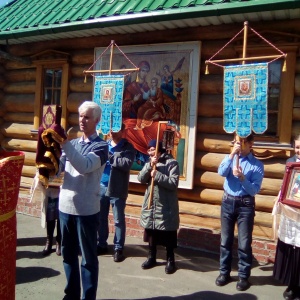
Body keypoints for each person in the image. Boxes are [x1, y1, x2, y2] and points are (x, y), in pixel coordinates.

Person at [52, 101, 108, 300]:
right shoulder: (73, 144)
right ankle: (72, 295)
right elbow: (60, 171)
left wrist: (64, 144)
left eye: (87, 117)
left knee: (88, 259)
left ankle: (88, 297)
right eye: (80, 116)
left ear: (97, 120)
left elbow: (84, 166)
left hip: (86, 211)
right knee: (68, 256)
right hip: (65, 207)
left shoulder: (102, 147)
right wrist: (47, 165)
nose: (82, 120)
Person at [216, 133, 264, 291]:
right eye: (236, 142)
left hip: (245, 205)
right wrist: (231, 155)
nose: (238, 146)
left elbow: (254, 190)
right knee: (225, 240)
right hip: (227, 202)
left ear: (250, 143)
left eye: (242, 142)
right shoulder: (230, 157)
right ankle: (224, 273)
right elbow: (221, 172)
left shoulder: (256, 164)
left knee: (244, 243)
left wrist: (242, 177)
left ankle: (243, 276)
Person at [138, 139, 180, 274]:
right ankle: (152, 257)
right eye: (148, 149)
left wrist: (158, 175)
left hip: (165, 205)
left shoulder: (171, 163)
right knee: (152, 232)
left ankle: (170, 260)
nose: (149, 152)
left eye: (151, 149)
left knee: (168, 234)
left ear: (159, 150)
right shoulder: (150, 162)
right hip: (151, 204)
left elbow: (173, 183)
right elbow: (140, 178)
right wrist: (150, 166)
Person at [97, 123, 136, 262]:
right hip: (102, 185)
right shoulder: (104, 144)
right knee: (101, 218)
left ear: (123, 130)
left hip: (117, 188)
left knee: (118, 220)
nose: (113, 132)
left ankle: (118, 248)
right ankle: (101, 244)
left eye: (116, 129)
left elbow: (127, 164)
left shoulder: (127, 147)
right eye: (111, 129)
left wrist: (111, 157)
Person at [273, 134, 300, 300]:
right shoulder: (290, 163)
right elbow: (286, 184)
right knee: (291, 247)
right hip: (291, 212)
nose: (299, 150)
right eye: (297, 147)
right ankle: (291, 284)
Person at [41, 187, 61, 256]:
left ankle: (59, 242)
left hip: (62, 190)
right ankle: (49, 242)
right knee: (50, 216)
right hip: (50, 189)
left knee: (60, 217)